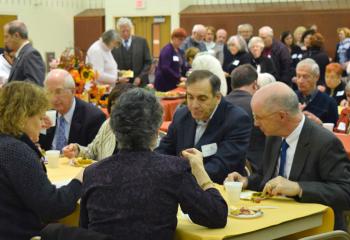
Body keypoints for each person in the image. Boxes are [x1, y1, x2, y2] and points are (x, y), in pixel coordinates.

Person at [80, 88, 228, 239]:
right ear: (157, 130)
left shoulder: (92, 173)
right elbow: (217, 215)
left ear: (114, 128)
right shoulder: (173, 170)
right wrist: (201, 172)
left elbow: (84, 229)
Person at [226, 81, 350, 230]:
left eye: (259, 117)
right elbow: (267, 176)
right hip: (275, 220)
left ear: (282, 116)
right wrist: (246, 181)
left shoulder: (324, 142)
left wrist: (299, 188)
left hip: (314, 227)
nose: (255, 124)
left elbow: (345, 191)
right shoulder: (274, 135)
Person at [0, 81, 83, 240]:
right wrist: (80, 180)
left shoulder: (8, 144)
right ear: (23, 117)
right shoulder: (15, 152)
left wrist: (28, 137)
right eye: (39, 118)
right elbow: (53, 206)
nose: (41, 124)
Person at [156, 70, 251, 183]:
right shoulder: (181, 115)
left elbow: (220, 167)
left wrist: (177, 174)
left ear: (217, 97)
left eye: (202, 99)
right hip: (181, 186)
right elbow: (163, 152)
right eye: (190, 97)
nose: (194, 105)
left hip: (219, 190)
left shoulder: (237, 120)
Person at [62, 83, 135, 161]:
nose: (116, 109)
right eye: (113, 104)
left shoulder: (140, 132)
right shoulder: (108, 125)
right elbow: (93, 151)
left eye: (121, 105)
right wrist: (78, 150)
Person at [39, 69, 106, 151]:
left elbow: (95, 154)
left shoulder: (93, 117)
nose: (53, 99)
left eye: (59, 92)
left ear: (73, 91)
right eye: (49, 92)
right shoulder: (45, 113)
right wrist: (38, 129)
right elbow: (37, 147)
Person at [225, 64, 265, 172]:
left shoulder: (218, 105)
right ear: (255, 84)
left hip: (219, 165)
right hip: (254, 169)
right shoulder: (259, 106)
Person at [296, 59, 338, 125]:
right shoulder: (291, 98)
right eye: (298, 76)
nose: (300, 81)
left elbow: (334, 133)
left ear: (317, 77)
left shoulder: (329, 103)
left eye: (305, 77)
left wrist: (319, 124)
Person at [112, 17, 152, 86]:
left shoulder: (142, 42)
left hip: (140, 82)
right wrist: (119, 78)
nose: (125, 33)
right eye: (123, 31)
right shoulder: (114, 45)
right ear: (119, 31)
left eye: (127, 30)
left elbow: (148, 62)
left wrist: (140, 77)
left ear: (131, 29)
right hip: (122, 84)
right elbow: (112, 65)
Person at [4, 20, 45, 86]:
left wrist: (8, 89)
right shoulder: (21, 55)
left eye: (6, 37)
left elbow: (34, 84)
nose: (5, 41)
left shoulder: (31, 54)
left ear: (16, 36)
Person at [154, 28, 188, 92]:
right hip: (164, 83)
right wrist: (179, 77)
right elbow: (165, 68)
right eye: (180, 39)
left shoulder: (180, 51)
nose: (182, 42)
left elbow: (182, 66)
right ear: (173, 38)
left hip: (175, 81)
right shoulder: (167, 50)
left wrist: (189, 71)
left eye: (183, 40)